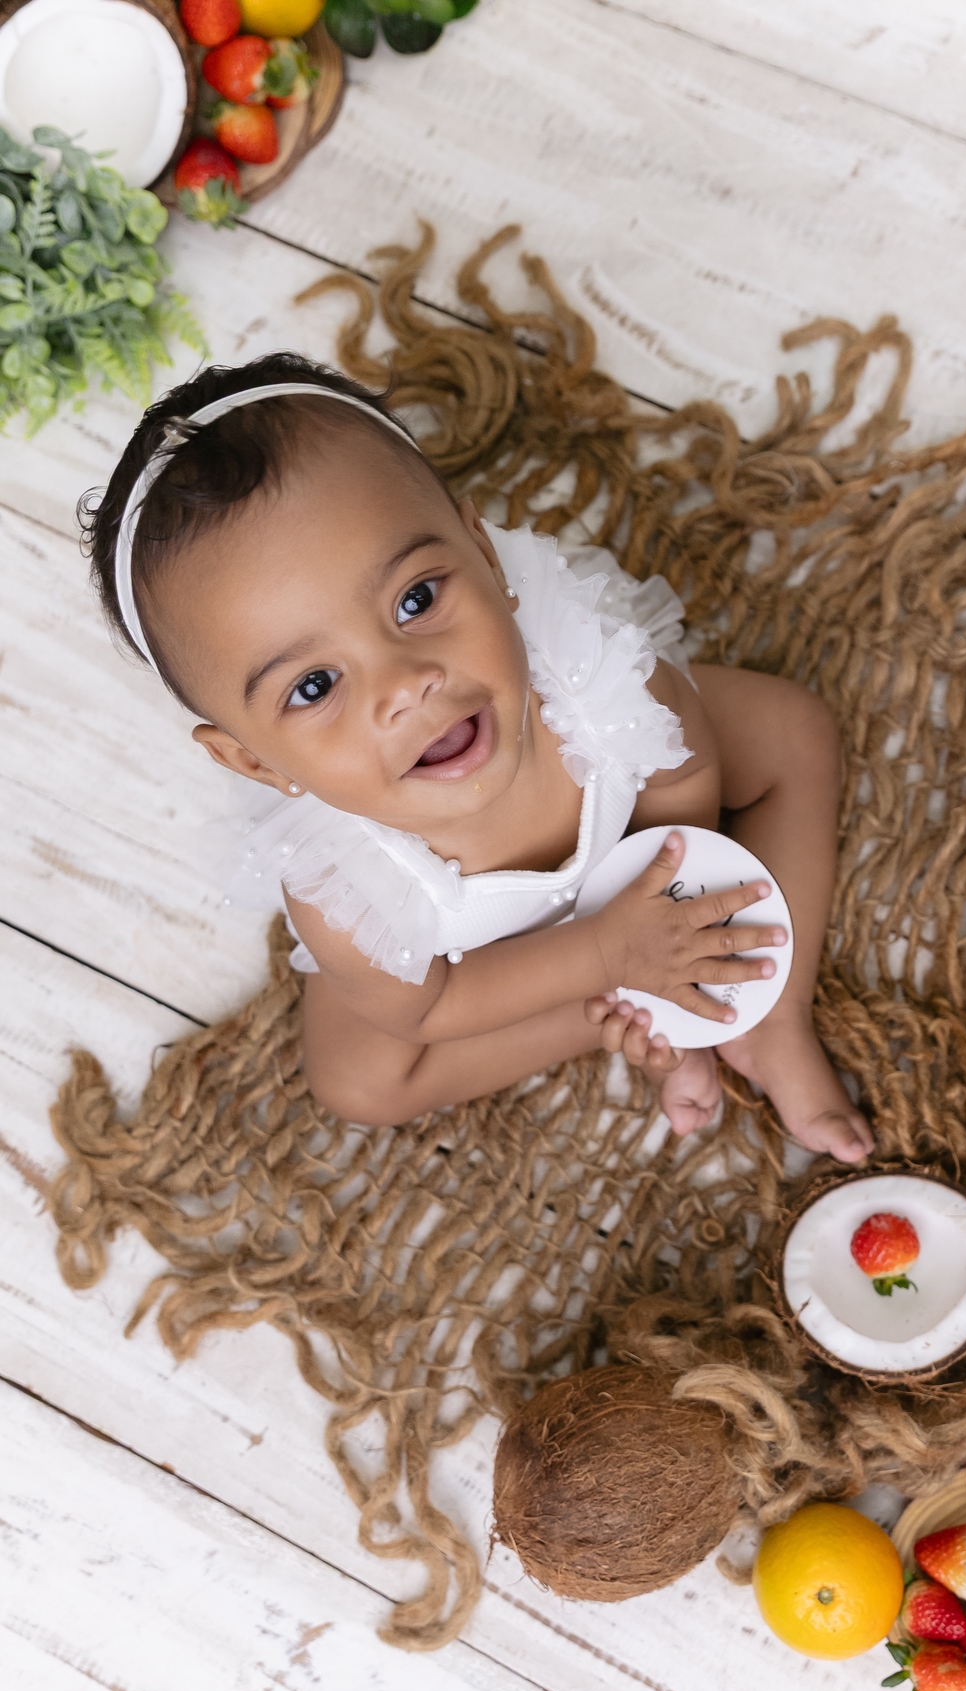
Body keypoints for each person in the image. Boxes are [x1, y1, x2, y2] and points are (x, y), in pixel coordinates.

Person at [83, 354, 873, 1161]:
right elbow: (429, 1007)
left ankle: (768, 1023)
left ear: (483, 554)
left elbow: (688, 772)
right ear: (253, 762)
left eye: (415, 600)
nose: (406, 686)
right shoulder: (347, 892)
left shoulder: (597, 682)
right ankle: (615, 1012)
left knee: (794, 733)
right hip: (483, 963)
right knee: (357, 1080)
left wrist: (669, 893)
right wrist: (613, 961)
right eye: (315, 685)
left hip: (640, 836)